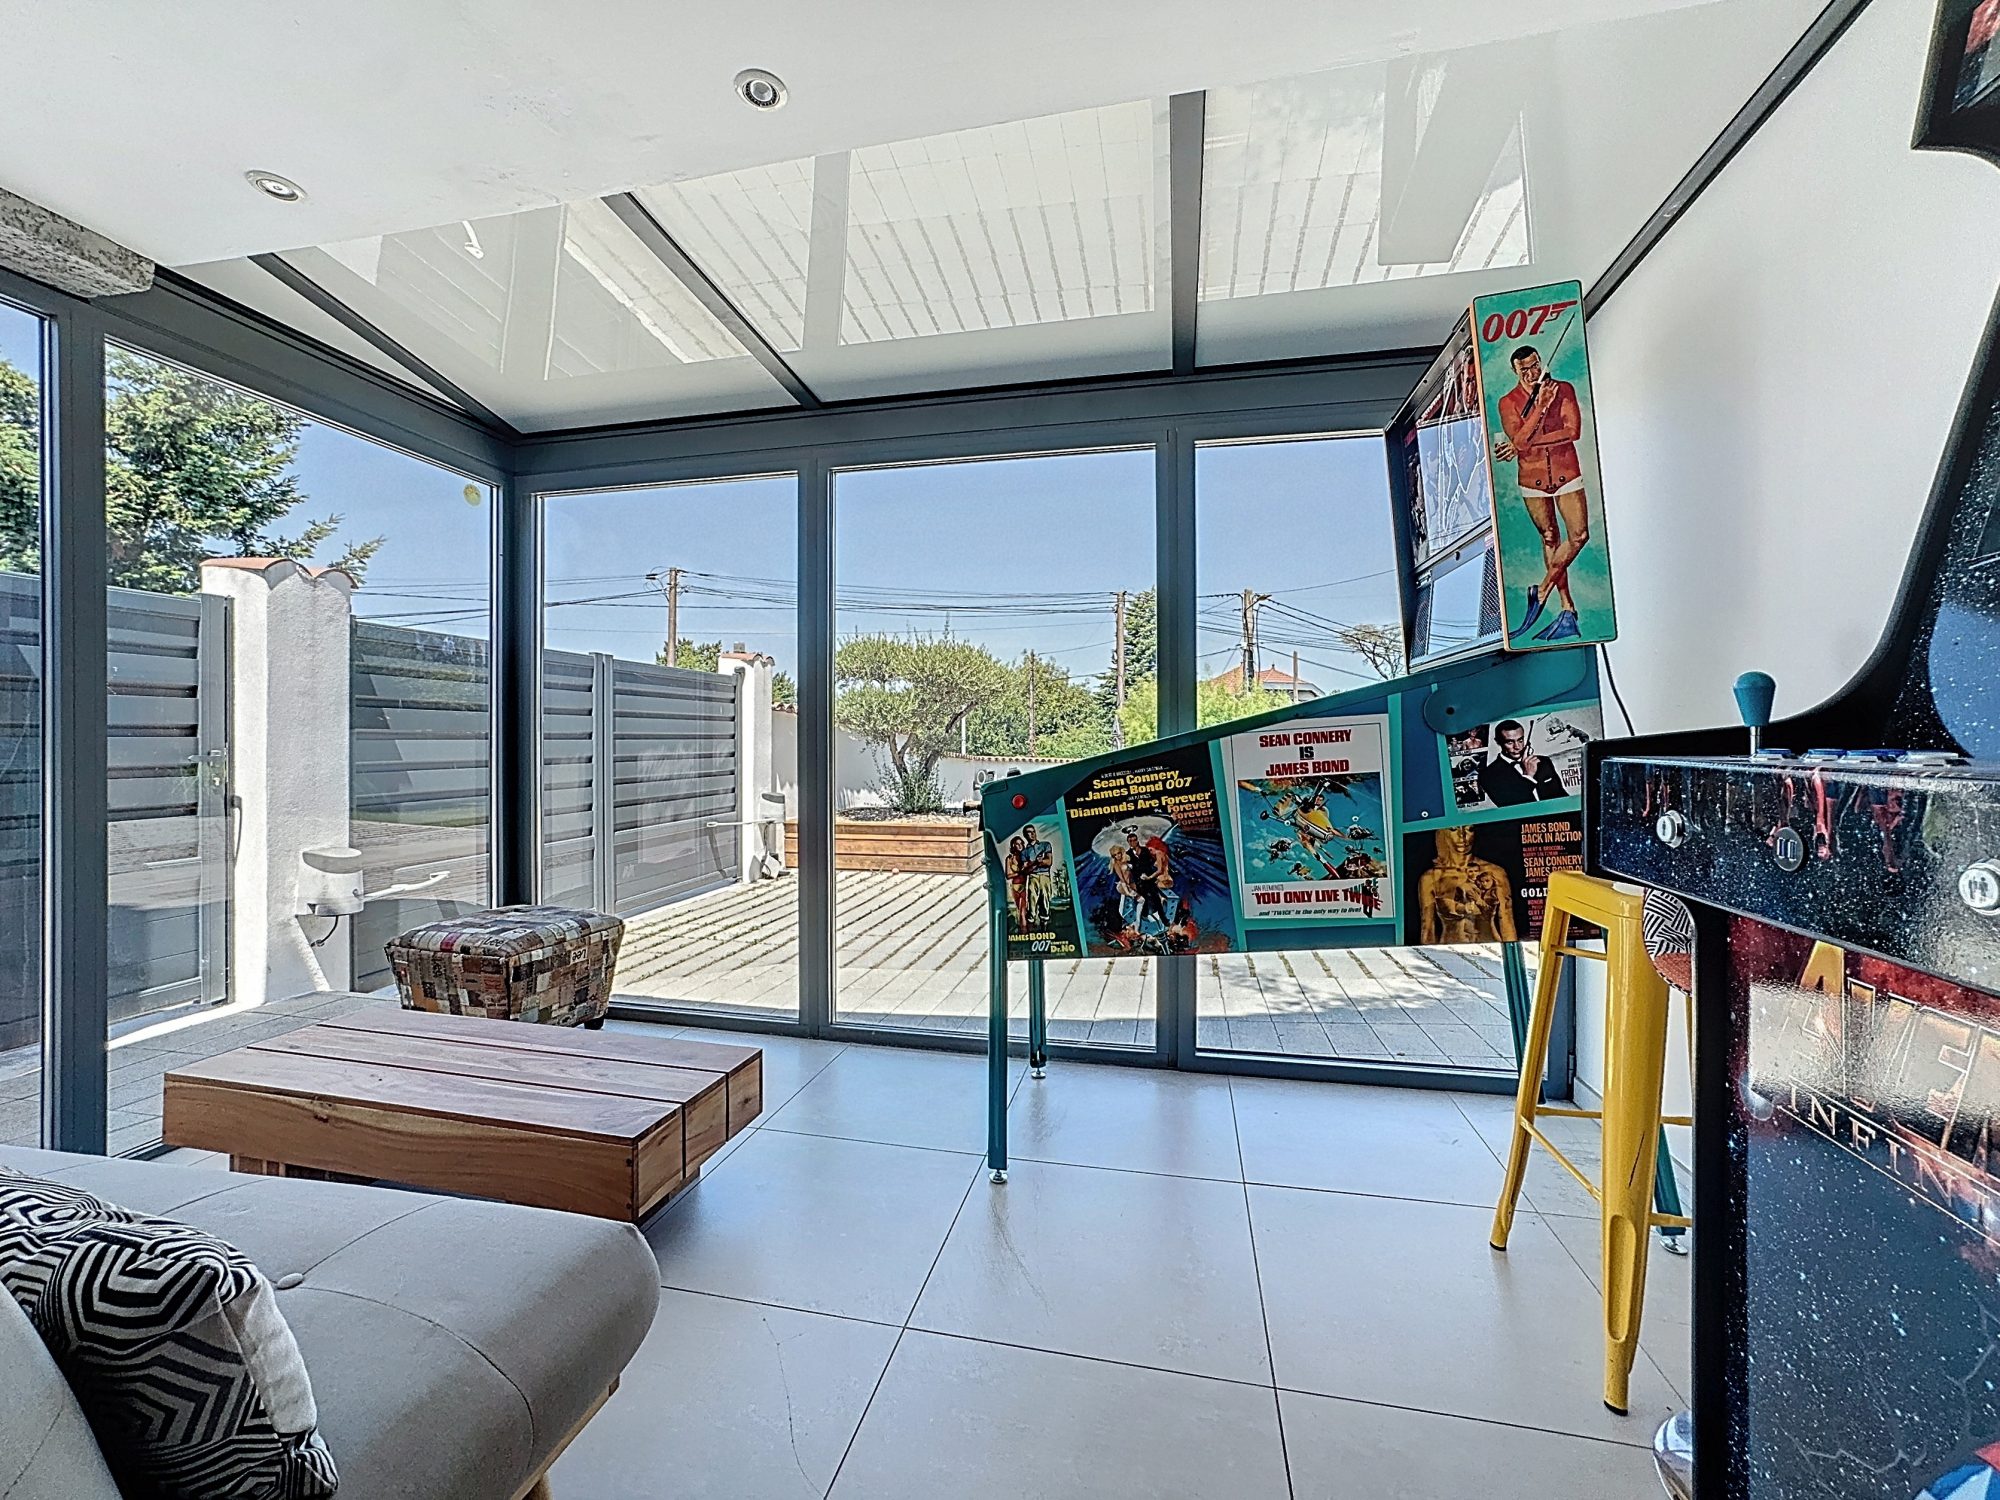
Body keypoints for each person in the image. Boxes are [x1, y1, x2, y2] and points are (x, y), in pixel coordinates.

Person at [1494, 344, 1590, 642]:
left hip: (1566, 472)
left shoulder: (1563, 389)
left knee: (1579, 535)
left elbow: (1572, 431)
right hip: (1532, 479)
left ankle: (1543, 588)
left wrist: (1523, 443)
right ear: (1515, 372)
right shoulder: (1508, 402)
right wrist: (1541, 408)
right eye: (1524, 369)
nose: (1532, 372)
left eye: (1535, 365)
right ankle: (1567, 607)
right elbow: (1518, 439)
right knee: (1549, 537)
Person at [1417, 825, 1519, 945]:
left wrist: (1512, 954)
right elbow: (1427, 927)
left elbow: (1506, 920)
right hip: (1450, 951)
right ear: (1443, 833)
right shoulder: (1431, 878)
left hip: (1491, 949)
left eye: (1469, 829)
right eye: (1454, 829)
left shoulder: (1495, 872)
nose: (1462, 836)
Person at [1477, 719, 1567, 806]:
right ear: (1498, 742)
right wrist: (1528, 776)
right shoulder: (1488, 775)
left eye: (1520, 740)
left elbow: (1561, 796)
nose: (1517, 747)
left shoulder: (1543, 762)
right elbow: (1513, 805)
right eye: (1510, 742)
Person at [1019, 823, 1057, 926]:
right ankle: (1031, 923)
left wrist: (1033, 864)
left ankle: (1044, 924)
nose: (1032, 834)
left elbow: (1049, 862)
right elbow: (1025, 871)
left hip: (1045, 876)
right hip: (1033, 877)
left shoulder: (1045, 845)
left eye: (1033, 831)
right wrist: (1037, 863)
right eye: (1029, 832)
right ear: (1025, 835)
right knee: (1032, 900)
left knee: (1045, 900)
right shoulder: (1024, 852)